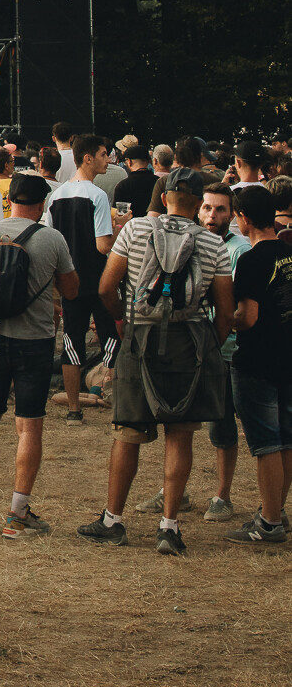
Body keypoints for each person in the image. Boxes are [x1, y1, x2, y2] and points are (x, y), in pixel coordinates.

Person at [78, 167, 232, 554]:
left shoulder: (134, 231)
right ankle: (169, 527)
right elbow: (226, 312)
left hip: (140, 337)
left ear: (164, 198)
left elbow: (105, 288)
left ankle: (113, 520)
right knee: (180, 434)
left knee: (127, 433)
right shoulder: (213, 245)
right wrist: (209, 343)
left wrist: (126, 324)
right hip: (190, 342)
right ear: (198, 205)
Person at [0, 172, 77, 539]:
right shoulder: (51, 239)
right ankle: (17, 514)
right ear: (43, 204)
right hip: (34, 341)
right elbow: (71, 288)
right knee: (29, 425)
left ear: (10, 201)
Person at [222, 185, 292, 543]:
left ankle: (268, 523)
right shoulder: (288, 251)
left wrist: (222, 319)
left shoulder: (252, 259)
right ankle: (276, 511)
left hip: (258, 359)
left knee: (266, 443)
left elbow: (248, 317)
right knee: (285, 439)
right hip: (286, 353)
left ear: (244, 218)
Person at [43, 134, 118, 424]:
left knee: (71, 342)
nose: (107, 160)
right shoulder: (97, 196)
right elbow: (103, 245)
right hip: (98, 278)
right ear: (87, 157)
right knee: (111, 337)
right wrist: (119, 237)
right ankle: (115, 401)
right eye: (103, 154)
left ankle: (74, 408)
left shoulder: (57, 196)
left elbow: (51, 238)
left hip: (69, 279)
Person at [196, 182, 251, 523]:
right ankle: (175, 491)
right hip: (192, 347)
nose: (212, 215)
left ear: (232, 214)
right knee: (181, 421)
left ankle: (222, 495)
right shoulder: (192, 241)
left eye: (220, 209)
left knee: (222, 425)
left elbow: (234, 308)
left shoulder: (239, 251)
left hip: (226, 351)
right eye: (207, 208)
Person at [112, 145, 158, 219]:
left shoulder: (123, 186)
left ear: (129, 161)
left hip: (131, 229)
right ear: (149, 161)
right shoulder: (158, 182)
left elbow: (119, 216)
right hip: (157, 228)